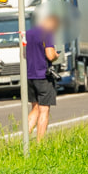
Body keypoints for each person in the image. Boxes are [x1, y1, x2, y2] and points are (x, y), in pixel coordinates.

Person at [26, 14, 60, 142]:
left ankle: (25, 139)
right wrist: (56, 55)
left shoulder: (28, 34)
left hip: (30, 75)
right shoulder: (47, 34)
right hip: (43, 76)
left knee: (34, 108)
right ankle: (40, 143)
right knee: (44, 110)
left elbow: (23, 54)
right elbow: (50, 55)